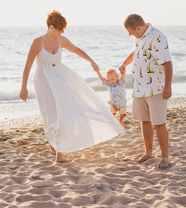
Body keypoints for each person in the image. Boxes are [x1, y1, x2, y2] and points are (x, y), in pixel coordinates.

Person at [20, 10, 124, 162]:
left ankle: (59, 150)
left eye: (63, 29)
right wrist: (24, 87)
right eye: (59, 29)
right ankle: (55, 145)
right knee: (49, 115)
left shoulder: (61, 40)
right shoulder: (38, 42)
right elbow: (28, 65)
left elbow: (76, 50)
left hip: (60, 76)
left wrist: (91, 61)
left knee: (64, 111)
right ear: (51, 27)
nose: (62, 32)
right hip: (43, 80)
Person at [119, 14, 173, 169]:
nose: (129, 34)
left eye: (130, 31)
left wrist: (167, 86)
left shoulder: (157, 37)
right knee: (145, 121)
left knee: (159, 123)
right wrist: (125, 63)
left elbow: (167, 63)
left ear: (138, 27)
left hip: (156, 88)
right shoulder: (140, 37)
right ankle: (148, 152)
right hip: (140, 87)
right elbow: (135, 53)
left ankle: (164, 157)